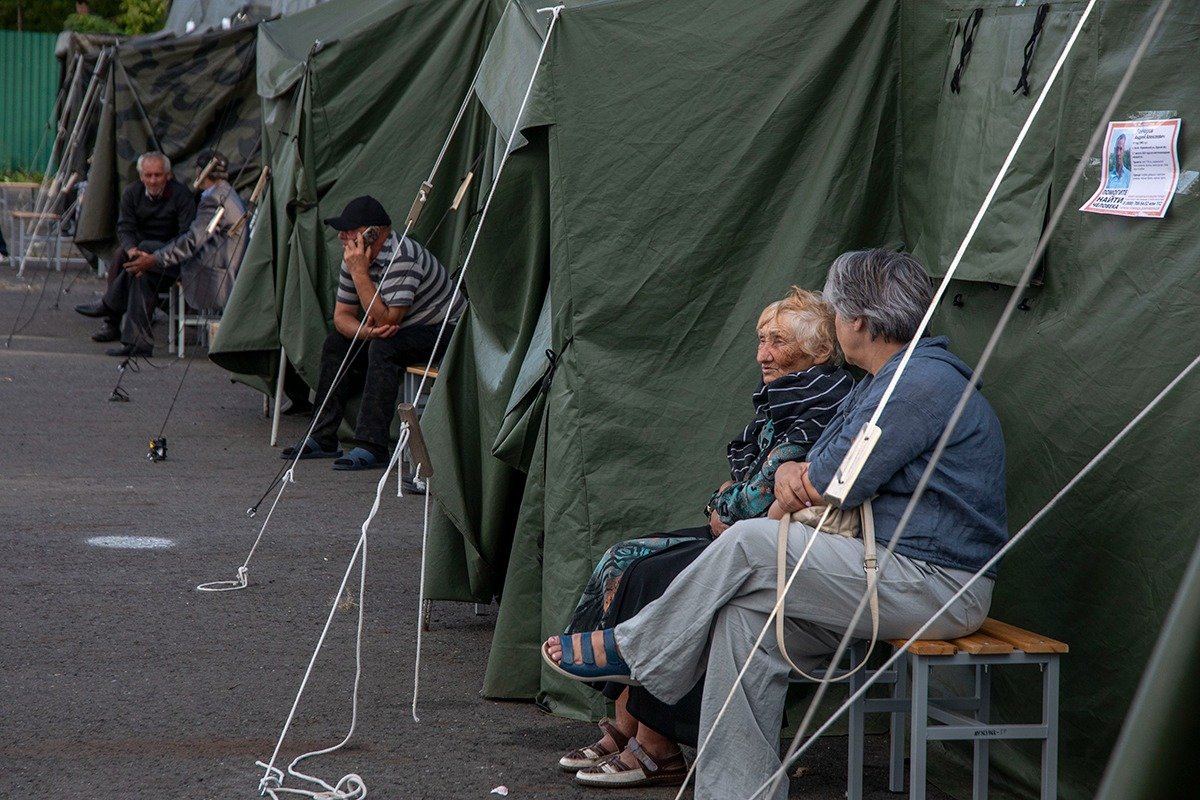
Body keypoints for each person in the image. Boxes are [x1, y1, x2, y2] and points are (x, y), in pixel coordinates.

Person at [544, 248, 1008, 800]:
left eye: (837, 313)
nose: (837, 325)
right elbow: (818, 466)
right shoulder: (885, 380)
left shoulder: (918, 384)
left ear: (857, 320)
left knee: (750, 542)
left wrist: (801, 474)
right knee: (746, 620)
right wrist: (795, 469)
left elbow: (836, 479)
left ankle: (639, 650)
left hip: (935, 583)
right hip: (885, 572)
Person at [558, 288, 853, 789]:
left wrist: (725, 502)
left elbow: (755, 502)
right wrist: (728, 502)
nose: (762, 354)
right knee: (622, 559)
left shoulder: (821, 403)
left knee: (656, 575)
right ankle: (628, 727)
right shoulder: (787, 397)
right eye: (761, 341)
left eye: (777, 342)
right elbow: (747, 490)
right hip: (746, 532)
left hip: (778, 541)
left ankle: (659, 746)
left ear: (820, 352)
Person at [281, 195, 464, 471]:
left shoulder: (403, 257)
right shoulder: (355, 256)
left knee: (385, 348)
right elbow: (342, 317)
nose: (342, 236)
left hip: (444, 330)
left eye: (350, 230)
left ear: (373, 232)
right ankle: (322, 437)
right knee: (336, 342)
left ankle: (372, 446)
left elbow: (388, 318)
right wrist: (366, 332)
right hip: (399, 329)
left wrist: (360, 275)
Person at [74, 151, 196, 349]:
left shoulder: (181, 196)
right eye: (148, 175)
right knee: (130, 263)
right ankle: (135, 342)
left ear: (168, 175)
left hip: (171, 259)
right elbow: (125, 227)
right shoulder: (133, 192)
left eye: (158, 175)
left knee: (143, 249)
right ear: (141, 176)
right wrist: (132, 250)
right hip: (142, 261)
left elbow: (185, 236)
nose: (153, 180)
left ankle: (109, 307)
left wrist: (152, 254)